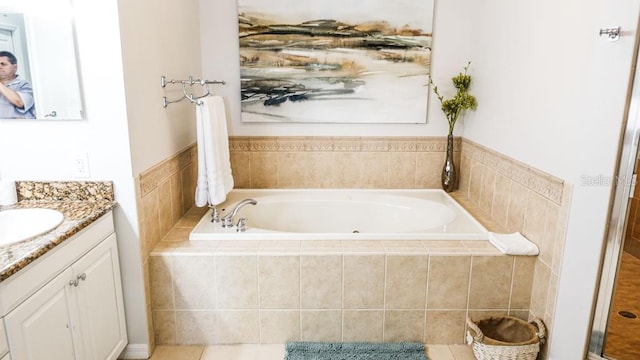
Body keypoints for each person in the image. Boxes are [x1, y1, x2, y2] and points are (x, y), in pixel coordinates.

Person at [0, 51, 35, 119]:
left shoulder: (24, 85)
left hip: (17, 128)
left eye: (3, 64)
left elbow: (20, 102)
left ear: (15, 67)